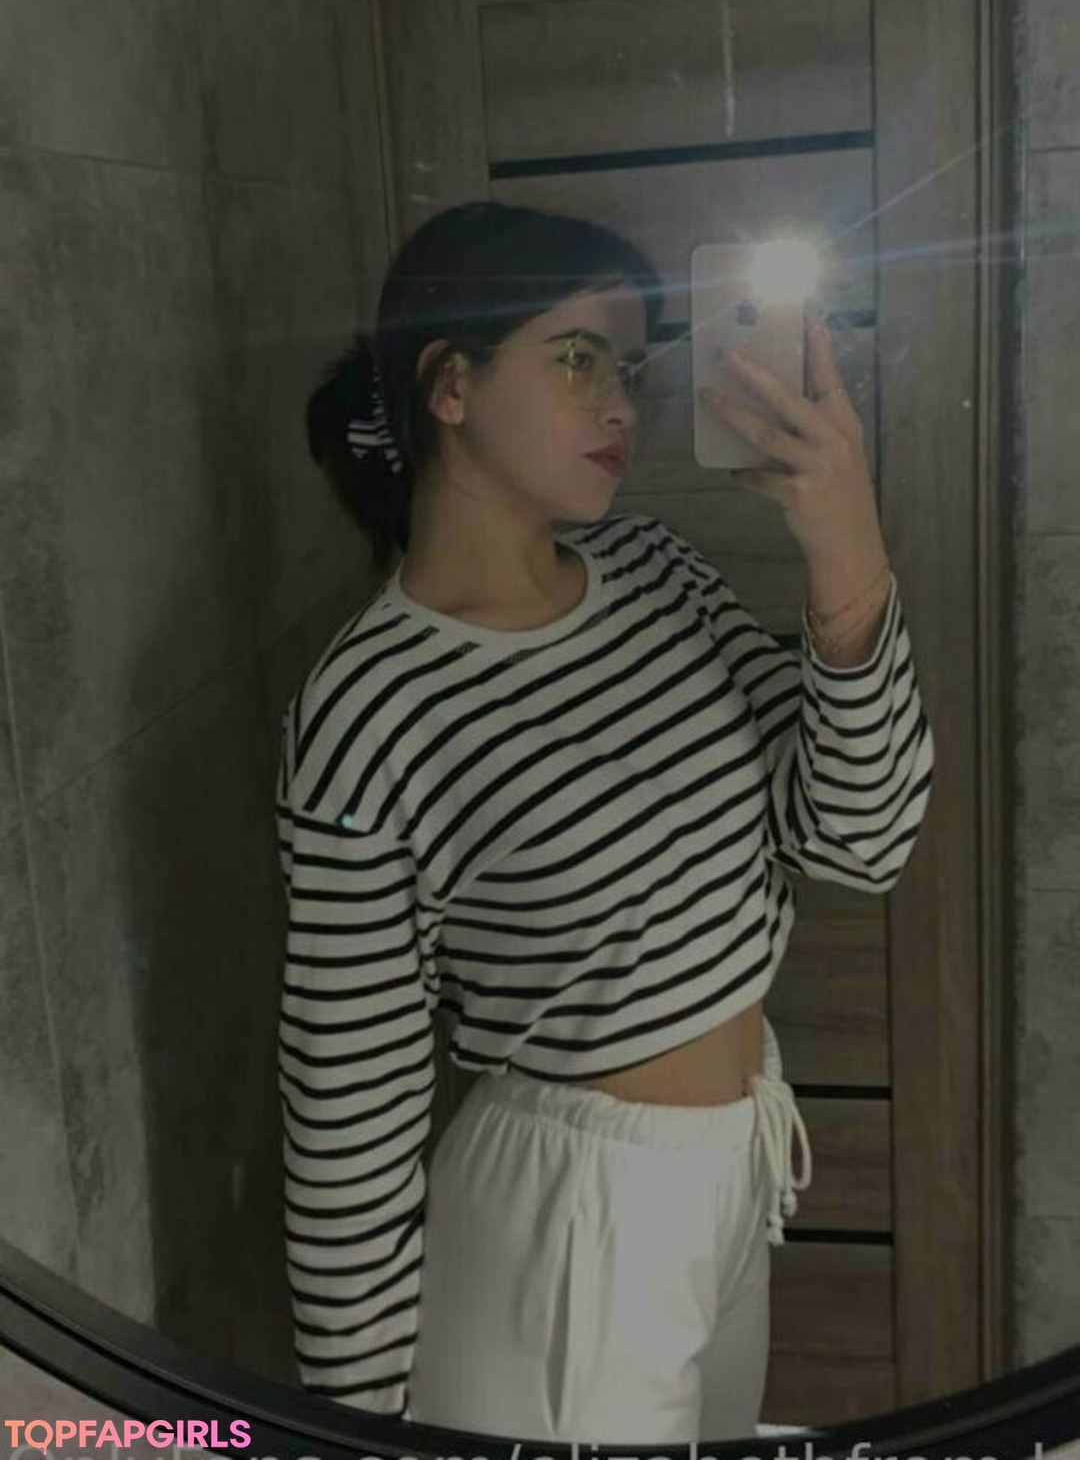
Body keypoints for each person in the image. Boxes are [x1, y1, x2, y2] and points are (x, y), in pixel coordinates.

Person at [274, 200, 935, 1445]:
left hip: (738, 1165)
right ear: (451, 385)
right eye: (578, 358)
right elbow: (347, 1108)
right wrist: (357, 1426)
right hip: (566, 1224)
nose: (621, 403)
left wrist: (846, 548)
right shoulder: (370, 702)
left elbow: (862, 835)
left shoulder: (656, 573)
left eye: (627, 368)